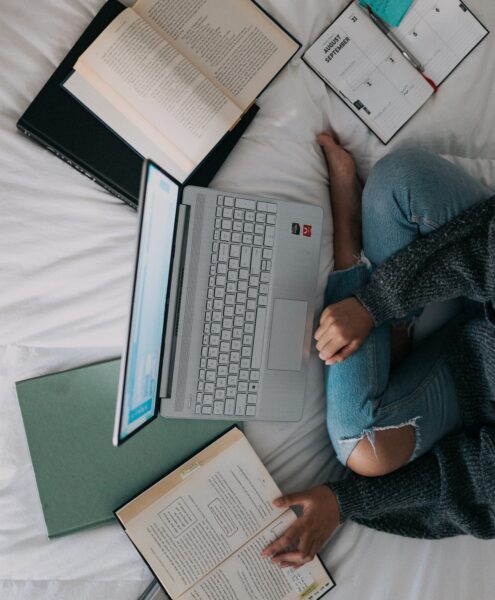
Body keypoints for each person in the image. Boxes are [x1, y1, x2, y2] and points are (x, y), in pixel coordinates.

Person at [262, 134, 495, 569]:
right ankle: (391, 320)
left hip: (476, 380)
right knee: (399, 179)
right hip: (485, 271)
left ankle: (351, 255)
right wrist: (376, 305)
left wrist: (346, 501)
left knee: (361, 445)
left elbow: (480, 473)